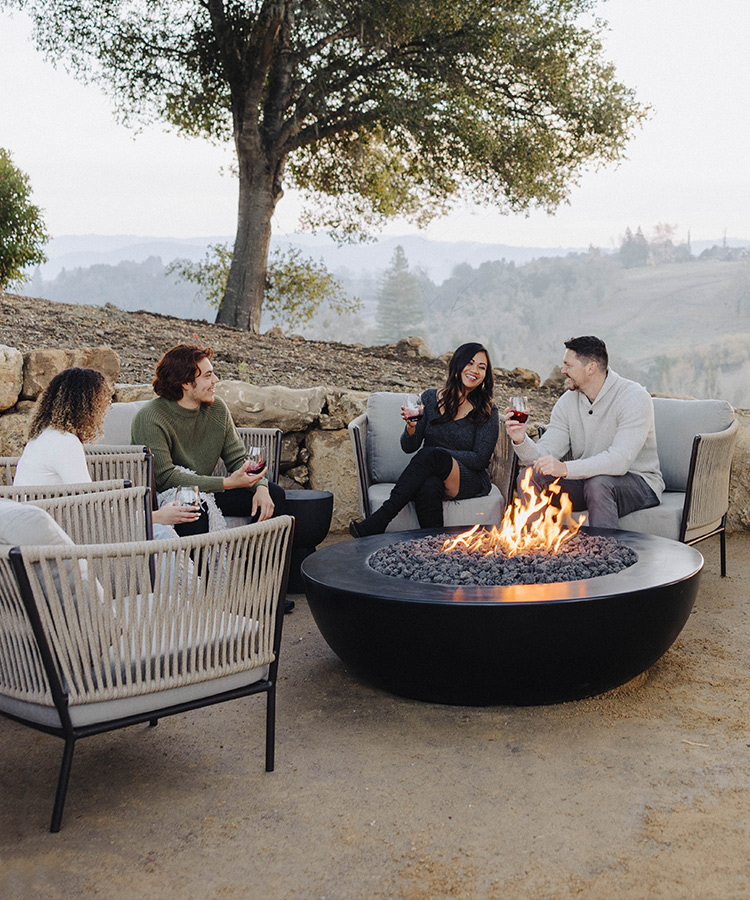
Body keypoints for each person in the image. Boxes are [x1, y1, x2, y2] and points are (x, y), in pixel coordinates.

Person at [505, 335, 664, 528]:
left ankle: (606, 554)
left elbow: (619, 462)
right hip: (588, 480)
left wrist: (565, 469)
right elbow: (544, 455)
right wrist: (521, 439)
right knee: (530, 477)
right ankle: (537, 551)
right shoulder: (567, 401)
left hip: (638, 482)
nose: (562, 371)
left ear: (591, 368)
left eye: (568, 366)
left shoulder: (633, 397)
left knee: (598, 484)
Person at [13, 366, 199, 532]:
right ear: (87, 406)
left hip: (36, 528)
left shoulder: (43, 436)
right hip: (58, 536)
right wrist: (156, 516)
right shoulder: (65, 443)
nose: (106, 409)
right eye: (103, 402)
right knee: (160, 533)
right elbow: (90, 507)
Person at [130, 344, 286, 536]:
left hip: (208, 489)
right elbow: (165, 479)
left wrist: (260, 487)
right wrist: (227, 483)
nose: (216, 380)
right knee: (193, 507)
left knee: (275, 494)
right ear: (185, 383)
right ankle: (197, 567)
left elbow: (238, 458)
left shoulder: (217, 408)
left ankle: (255, 562)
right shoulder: (151, 417)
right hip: (167, 497)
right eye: (207, 375)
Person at [349, 341, 500, 537]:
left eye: (482, 367)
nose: (475, 370)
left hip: (468, 479)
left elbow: (480, 459)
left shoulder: (486, 409)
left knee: (433, 455)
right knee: (429, 486)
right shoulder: (429, 398)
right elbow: (409, 447)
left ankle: (381, 518)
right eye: (470, 363)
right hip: (431, 472)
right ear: (457, 364)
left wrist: (440, 454)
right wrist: (411, 428)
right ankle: (433, 544)